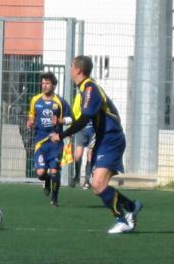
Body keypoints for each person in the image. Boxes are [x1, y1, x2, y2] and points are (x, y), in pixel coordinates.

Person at [51, 55, 142, 234]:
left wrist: (62, 135)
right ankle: (132, 206)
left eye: (71, 67)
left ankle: (122, 220)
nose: (69, 70)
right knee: (96, 186)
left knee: (98, 184)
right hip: (103, 139)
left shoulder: (90, 88)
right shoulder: (85, 89)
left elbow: (84, 119)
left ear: (78, 70)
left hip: (111, 138)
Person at [26, 72, 71, 206]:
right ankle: (46, 181)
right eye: (43, 83)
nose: (44, 86)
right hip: (40, 142)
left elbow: (71, 119)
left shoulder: (60, 102)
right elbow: (32, 115)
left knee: (54, 171)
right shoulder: (35, 100)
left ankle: (54, 199)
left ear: (54, 85)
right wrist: (30, 121)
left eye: (47, 83)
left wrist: (60, 120)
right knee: (40, 173)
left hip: (55, 142)